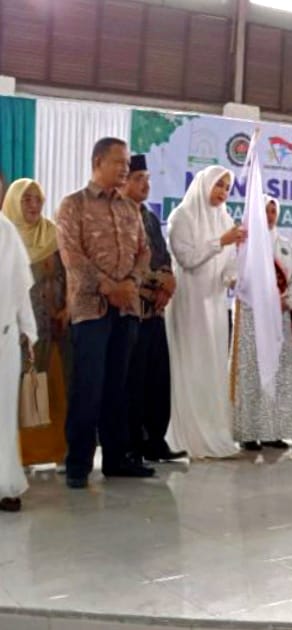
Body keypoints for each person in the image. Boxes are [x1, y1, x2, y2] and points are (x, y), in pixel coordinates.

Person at [57, 138, 155, 487]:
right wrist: (108, 287)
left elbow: (144, 253)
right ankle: (78, 464)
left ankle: (116, 459)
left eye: (127, 163)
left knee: (118, 387)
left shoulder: (130, 209)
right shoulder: (73, 205)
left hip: (126, 308)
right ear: (98, 161)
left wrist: (130, 283)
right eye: (120, 162)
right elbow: (71, 256)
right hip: (90, 309)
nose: (126, 168)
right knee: (89, 386)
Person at [166, 165, 245, 459]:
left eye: (227, 187)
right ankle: (188, 435)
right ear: (204, 185)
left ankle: (213, 431)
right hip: (189, 301)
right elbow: (187, 258)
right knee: (191, 362)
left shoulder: (224, 218)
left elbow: (230, 261)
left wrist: (231, 276)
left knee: (211, 364)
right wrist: (220, 242)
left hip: (214, 303)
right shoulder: (181, 216)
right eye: (219, 185)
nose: (223, 192)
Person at [118, 155, 186, 465]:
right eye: (138, 178)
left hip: (155, 311)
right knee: (131, 380)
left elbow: (163, 256)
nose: (145, 184)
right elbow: (125, 262)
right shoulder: (117, 214)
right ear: (124, 181)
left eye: (147, 178)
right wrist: (155, 284)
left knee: (157, 377)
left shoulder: (148, 215)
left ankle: (155, 441)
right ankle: (131, 444)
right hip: (129, 310)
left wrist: (168, 284)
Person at [2, 178, 70, 468]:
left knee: (52, 390)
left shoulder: (54, 234)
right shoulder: (7, 236)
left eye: (37, 199)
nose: (33, 205)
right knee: (17, 393)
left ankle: (52, 452)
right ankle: (18, 457)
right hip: (15, 329)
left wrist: (68, 306)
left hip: (53, 326)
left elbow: (70, 274)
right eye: (26, 199)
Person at [231, 195, 292, 450]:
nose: (271, 214)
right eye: (266, 210)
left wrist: (288, 298)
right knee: (252, 371)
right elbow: (236, 277)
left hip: (279, 316)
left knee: (278, 370)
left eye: (274, 210)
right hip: (252, 316)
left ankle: (273, 432)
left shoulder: (284, 244)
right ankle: (249, 433)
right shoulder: (245, 244)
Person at [1, 189, 37, 511]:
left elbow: (21, 287)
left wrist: (29, 331)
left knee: (4, 415)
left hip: (5, 338)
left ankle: (5, 483)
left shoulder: (7, 231)